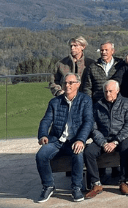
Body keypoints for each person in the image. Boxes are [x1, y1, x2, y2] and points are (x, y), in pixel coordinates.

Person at [35, 73, 93, 203]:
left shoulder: (85, 100)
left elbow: (88, 122)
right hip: (56, 140)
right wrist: (43, 135)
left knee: (78, 154)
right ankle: (48, 186)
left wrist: (81, 140)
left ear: (78, 84)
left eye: (71, 83)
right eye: (65, 83)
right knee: (41, 155)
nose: (67, 85)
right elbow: (45, 120)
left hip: (74, 140)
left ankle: (76, 188)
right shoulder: (55, 102)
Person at [83, 80, 128, 199]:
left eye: (110, 91)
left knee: (126, 147)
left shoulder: (127, 103)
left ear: (117, 90)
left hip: (120, 138)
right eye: (106, 91)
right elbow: (94, 129)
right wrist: (104, 143)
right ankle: (96, 183)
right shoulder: (97, 106)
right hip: (103, 139)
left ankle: (123, 181)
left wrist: (115, 142)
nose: (108, 94)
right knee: (89, 151)